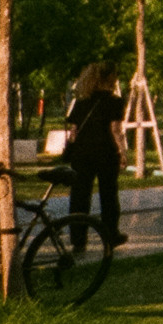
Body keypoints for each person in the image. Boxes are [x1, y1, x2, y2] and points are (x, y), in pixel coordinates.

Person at [64, 59, 125, 255]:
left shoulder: (81, 102)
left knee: (79, 197)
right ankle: (111, 235)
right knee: (108, 195)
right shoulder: (115, 102)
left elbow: (74, 132)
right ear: (110, 78)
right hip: (106, 153)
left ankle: (78, 240)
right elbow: (115, 130)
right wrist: (123, 152)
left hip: (82, 154)